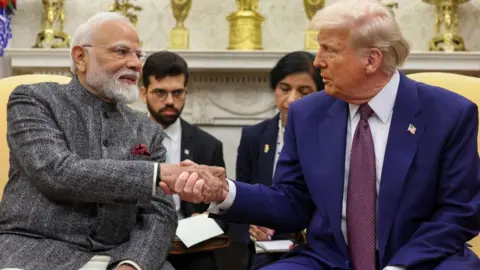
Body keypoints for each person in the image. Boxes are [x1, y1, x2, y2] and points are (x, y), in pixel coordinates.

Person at [165, 0, 480, 269]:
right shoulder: (308, 114)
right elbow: (292, 201)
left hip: (422, 259)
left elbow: (458, 213)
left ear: (371, 60)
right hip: (331, 260)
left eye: (330, 49)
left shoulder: (449, 114)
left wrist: (399, 266)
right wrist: (223, 191)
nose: (318, 61)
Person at [0, 12, 186, 270]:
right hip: (34, 250)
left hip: (118, 254)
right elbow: (57, 172)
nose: (136, 64)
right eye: (121, 52)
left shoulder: (146, 127)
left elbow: (160, 212)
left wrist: (134, 264)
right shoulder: (34, 100)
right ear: (80, 57)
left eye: (138, 55)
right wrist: (154, 175)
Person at [235, 51, 324, 270]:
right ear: (274, 89)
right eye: (284, 89)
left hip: (312, 244)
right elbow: (242, 194)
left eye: (304, 91)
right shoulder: (253, 136)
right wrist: (252, 226)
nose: (292, 100)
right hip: (265, 244)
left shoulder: (328, 137)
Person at [140, 51, 227, 270]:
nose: (170, 101)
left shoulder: (208, 145)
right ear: (144, 93)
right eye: (160, 92)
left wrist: (209, 217)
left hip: (190, 246)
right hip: (138, 240)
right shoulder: (126, 138)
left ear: (186, 92)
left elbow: (222, 207)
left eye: (177, 93)